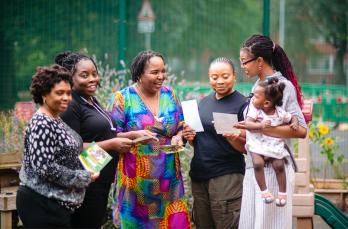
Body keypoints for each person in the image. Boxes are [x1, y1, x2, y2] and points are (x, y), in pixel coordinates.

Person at [107, 50, 191, 228]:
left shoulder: (170, 95)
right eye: (154, 72)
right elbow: (112, 137)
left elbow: (182, 125)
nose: (161, 77)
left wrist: (178, 136)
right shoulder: (123, 99)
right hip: (135, 183)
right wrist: (134, 136)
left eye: (163, 71)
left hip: (169, 183)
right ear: (139, 74)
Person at [236, 34, 307, 229]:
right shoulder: (257, 85)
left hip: (276, 171)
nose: (242, 66)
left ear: (259, 61)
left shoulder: (283, 86)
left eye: (244, 62)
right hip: (255, 168)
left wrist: (263, 128)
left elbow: (301, 130)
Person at [56, 52, 134, 228]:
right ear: (70, 77)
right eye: (84, 75)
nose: (92, 79)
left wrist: (131, 136)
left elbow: (101, 135)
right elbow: (70, 147)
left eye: (94, 73)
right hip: (84, 182)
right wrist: (112, 144)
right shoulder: (70, 105)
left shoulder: (89, 99)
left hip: (99, 178)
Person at [16, 65, 99, 228]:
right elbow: (45, 167)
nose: (66, 98)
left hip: (55, 205)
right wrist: (84, 177)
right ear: (44, 94)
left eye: (68, 93)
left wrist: (96, 161)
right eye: (59, 93)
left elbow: (71, 149)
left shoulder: (55, 119)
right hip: (42, 203)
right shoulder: (42, 122)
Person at [182, 57, 247, 229]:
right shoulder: (204, 103)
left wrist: (231, 136)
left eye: (225, 76)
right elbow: (199, 143)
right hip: (199, 176)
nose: (219, 81)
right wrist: (190, 137)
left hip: (226, 177)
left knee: (227, 224)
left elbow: (248, 147)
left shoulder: (243, 104)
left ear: (234, 76)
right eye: (214, 77)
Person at [243, 78, 299, 207]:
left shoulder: (280, 113)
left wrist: (294, 122)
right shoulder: (256, 111)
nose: (252, 99)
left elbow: (292, 116)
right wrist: (260, 125)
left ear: (267, 103)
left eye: (256, 96)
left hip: (273, 144)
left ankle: (282, 194)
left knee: (279, 165)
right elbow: (247, 123)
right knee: (258, 163)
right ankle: (264, 192)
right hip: (257, 144)